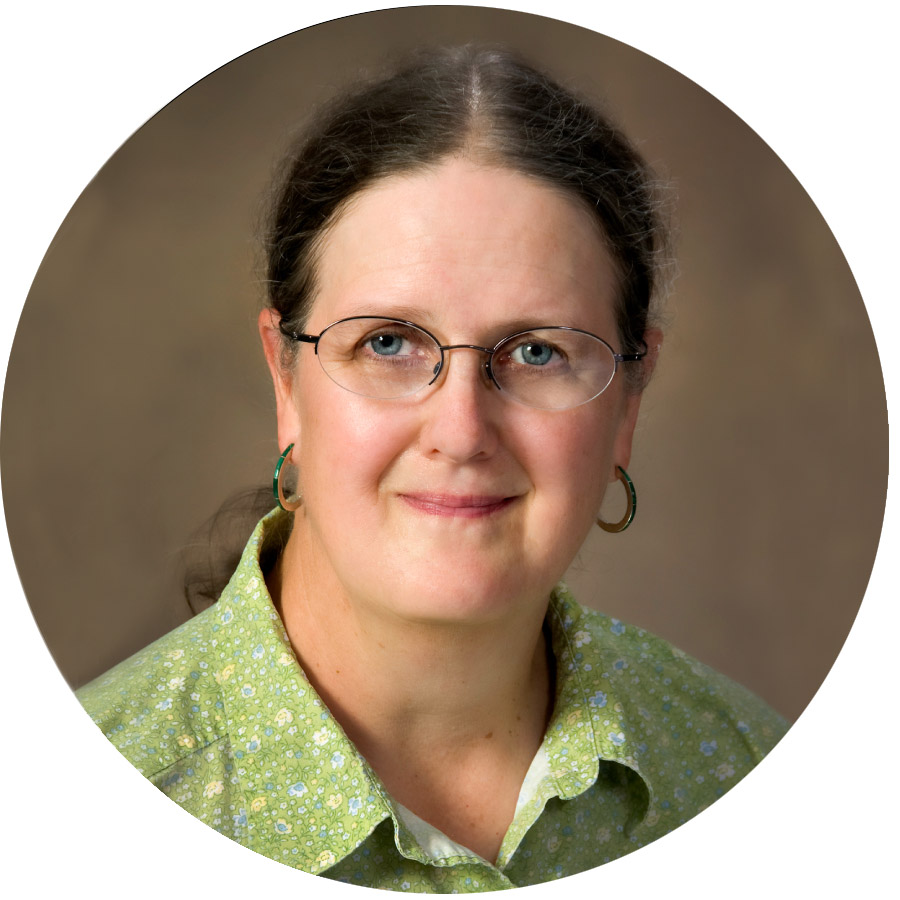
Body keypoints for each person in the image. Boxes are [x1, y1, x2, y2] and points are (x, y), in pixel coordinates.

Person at [77, 45, 787, 890]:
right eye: (387, 342)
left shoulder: (747, 771)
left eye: (536, 351)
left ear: (628, 399)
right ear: (286, 378)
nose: (461, 431)